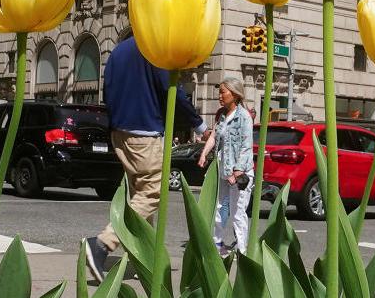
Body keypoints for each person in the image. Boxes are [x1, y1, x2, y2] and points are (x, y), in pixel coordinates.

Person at [82, 37, 207, 281]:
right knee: (152, 193)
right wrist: (199, 125)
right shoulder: (155, 47)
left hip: (120, 132)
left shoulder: (118, 50)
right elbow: (172, 89)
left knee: (139, 195)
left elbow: (106, 90)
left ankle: (145, 257)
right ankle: (101, 244)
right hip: (144, 132)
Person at [198, 76, 254, 255]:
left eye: (223, 92)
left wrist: (237, 172)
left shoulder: (244, 117)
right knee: (219, 210)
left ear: (235, 94)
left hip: (239, 174)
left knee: (238, 213)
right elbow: (214, 136)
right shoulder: (222, 115)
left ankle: (242, 251)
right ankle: (218, 247)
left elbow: (246, 145)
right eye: (219, 92)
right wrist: (204, 153)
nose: (219, 96)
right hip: (222, 171)